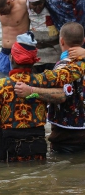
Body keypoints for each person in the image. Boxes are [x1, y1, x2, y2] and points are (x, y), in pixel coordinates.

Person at [0, 31, 85, 163]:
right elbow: (73, 72)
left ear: (11, 58)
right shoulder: (44, 81)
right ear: (34, 61)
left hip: (6, 150)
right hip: (36, 149)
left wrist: (2, 135)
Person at [15, 22, 85, 153]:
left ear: (61, 40)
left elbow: (61, 95)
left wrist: (32, 90)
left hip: (68, 136)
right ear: (83, 41)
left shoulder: (63, 67)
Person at [0, 0, 29, 74]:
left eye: (2, 11)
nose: (1, 15)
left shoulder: (23, 4)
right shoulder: (0, 3)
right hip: (4, 53)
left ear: (8, 2)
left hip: (19, 53)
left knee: (18, 82)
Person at [26, 0, 61, 73]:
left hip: (54, 52)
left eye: (40, 4)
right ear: (29, 2)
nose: (37, 8)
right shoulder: (26, 4)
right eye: (34, 5)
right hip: (37, 54)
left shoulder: (53, 4)